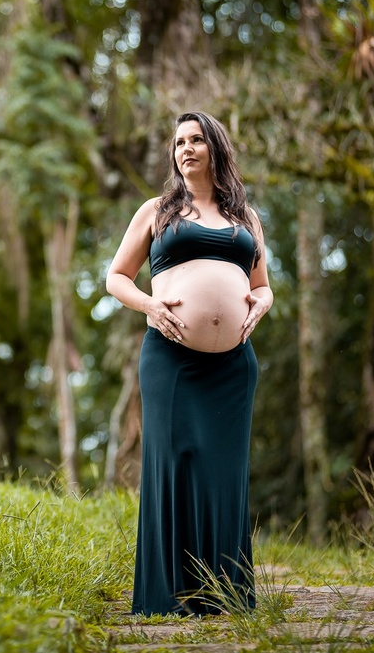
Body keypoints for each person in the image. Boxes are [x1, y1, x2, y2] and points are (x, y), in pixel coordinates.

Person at [105, 110, 272, 616]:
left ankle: (223, 594)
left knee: (224, 473)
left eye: (197, 139)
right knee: (174, 464)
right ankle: (166, 595)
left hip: (233, 368)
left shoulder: (246, 217)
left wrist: (261, 304)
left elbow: (262, 286)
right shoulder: (157, 211)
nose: (186, 149)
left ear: (216, 147)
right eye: (179, 141)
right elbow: (116, 277)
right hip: (171, 361)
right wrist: (151, 306)